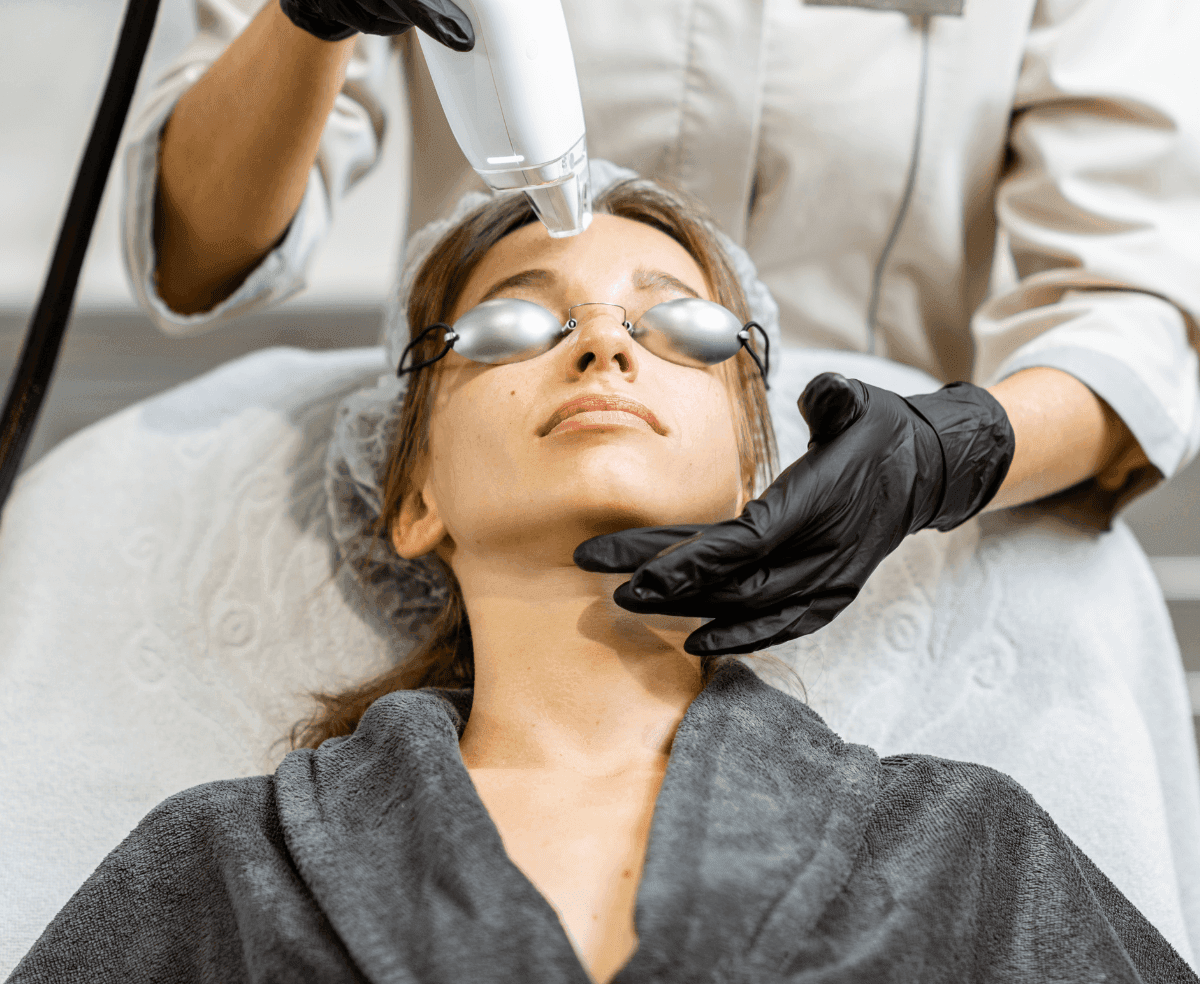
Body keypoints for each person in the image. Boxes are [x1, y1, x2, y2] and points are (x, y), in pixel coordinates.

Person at [12, 183, 1198, 983]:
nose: (604, 342)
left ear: (759, 474)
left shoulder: (964, 842)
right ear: (412, 494)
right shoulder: (224, 862)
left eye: (684, 326)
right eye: (511, 322)